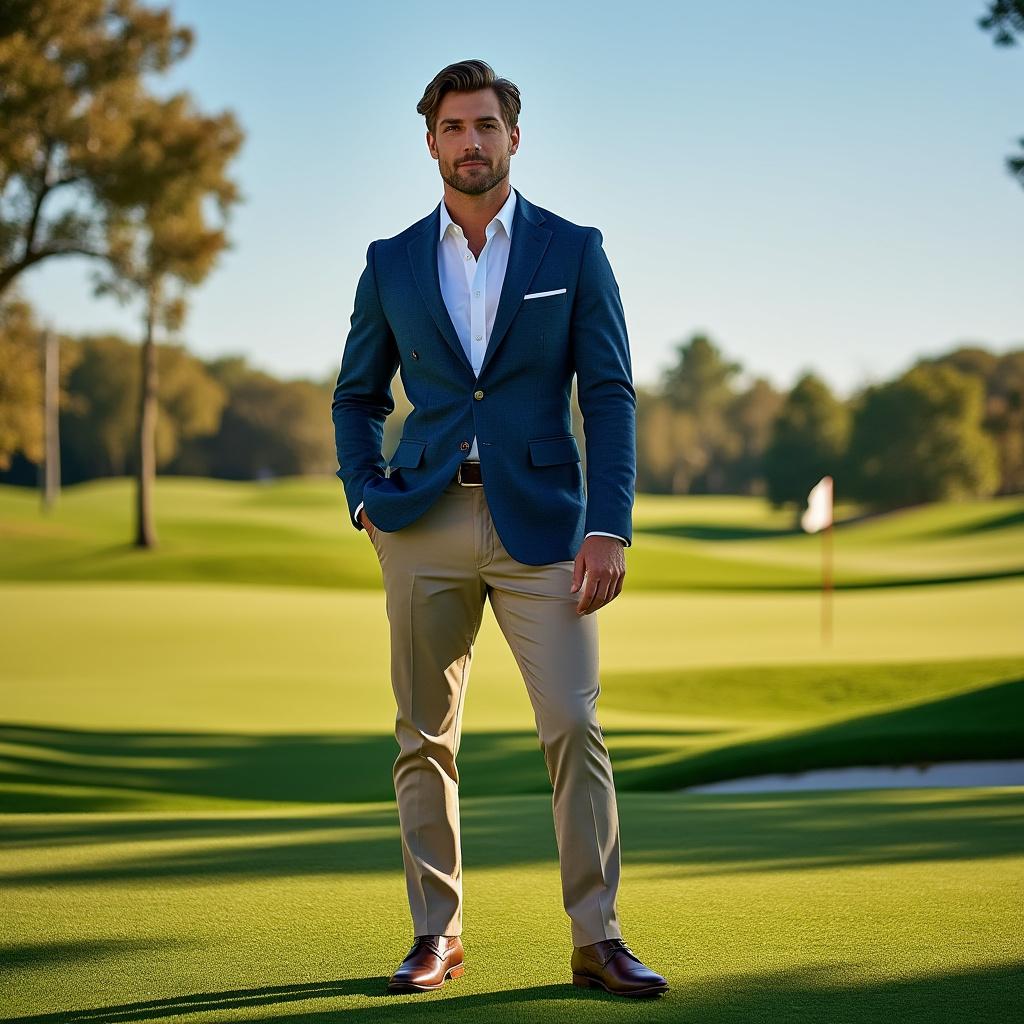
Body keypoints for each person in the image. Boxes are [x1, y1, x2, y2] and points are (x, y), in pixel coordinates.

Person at [331, 58, 668, 999]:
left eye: (486, 125)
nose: (470, 142)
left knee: (572, 724)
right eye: (452, 127)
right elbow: (356, 395)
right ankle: (436, 935)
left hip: (548, 529)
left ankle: (597, 938)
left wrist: (612, 525)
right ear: (430, 140)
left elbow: (608, 394)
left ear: (514, 138)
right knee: (423, 737)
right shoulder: (390, 260)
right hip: (424, 520)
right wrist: (365, 495)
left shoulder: (573, 249)